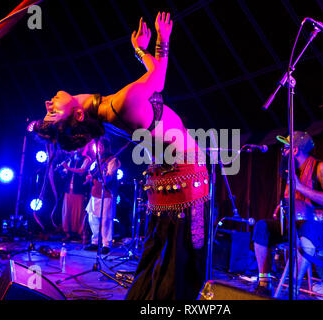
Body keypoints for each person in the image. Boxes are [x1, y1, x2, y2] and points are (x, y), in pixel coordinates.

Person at [33, 12, 209, 300]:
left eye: (48, 110)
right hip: (186, 180)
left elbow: (152, 78)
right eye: (52, 113)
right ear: (78, 114)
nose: (48, 103)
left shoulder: (114, 107)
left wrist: (140, 48)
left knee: (160, 267)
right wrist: (161, 40)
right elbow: (159, 78)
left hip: (169, 179)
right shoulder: (120, 103)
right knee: (178, 271)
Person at [252, 131, 323, 296]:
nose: (283, 152)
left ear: (294, 150)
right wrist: (282, 207)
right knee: (261, 227)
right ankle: (265, 283)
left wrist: (300, 187)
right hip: (294, 224)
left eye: (286, 148)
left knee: (306, 229)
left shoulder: (321, 167)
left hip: (321, 228)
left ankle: (293, 289)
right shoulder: (292, 173)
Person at [84, 137, 120, 255]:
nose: (99, 148)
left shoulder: (112, 160)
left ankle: (106, 244)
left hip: (107, 194)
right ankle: (95, 242)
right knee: (92, 218)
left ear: (107, 147)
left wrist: (100, 174)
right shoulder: (97, 161)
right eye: (98, 146)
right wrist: (90, 177)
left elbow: (109, 177)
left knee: (106, 220)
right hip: (95, 193)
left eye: (101, 146)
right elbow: (90, 174)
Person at [59, 147, 92, 242]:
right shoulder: (71, 159)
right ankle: (68, 233)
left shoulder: (87, 159)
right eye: (77, 148)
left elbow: (82, 171)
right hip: (68, 190)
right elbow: (66, 173)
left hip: (79, 190)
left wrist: (68, 168)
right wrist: (62, 171)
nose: (78, 149)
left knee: (79, 213)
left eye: (81, 147)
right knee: (67, 212)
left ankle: (80, 233)